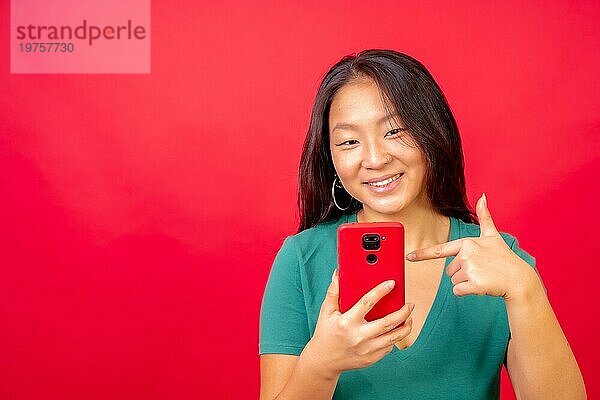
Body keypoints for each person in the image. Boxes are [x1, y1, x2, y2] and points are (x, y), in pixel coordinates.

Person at [259, 50, 585, 400]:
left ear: (432, 131)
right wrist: (320, 365)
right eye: (349, 141)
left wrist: (525, 290)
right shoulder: (300, 259)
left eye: (394, 130)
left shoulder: (499, 261)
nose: (375, 158)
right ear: (331, 158)